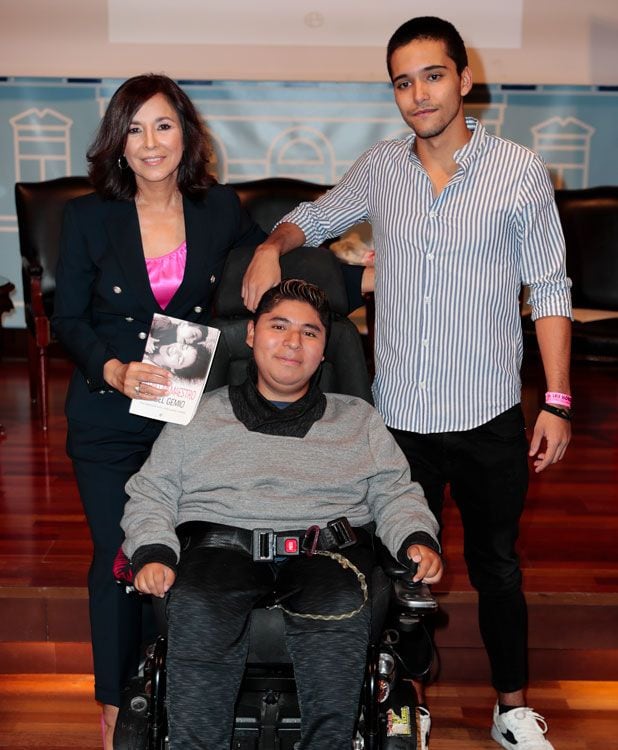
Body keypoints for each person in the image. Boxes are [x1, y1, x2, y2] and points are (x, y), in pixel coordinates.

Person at [240, 16, 572, 750]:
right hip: (400, 422)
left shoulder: (519, 172)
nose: (417, 94)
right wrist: (273, 244)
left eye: (431, 75)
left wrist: (556, 399)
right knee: (398, 571)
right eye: (402, 81)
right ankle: (406, 699)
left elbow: (550, 288)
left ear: (464, 78)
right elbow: (318, 217)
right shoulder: (383, 167)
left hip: (488, 417)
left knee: (498, 569)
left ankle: (510, 707)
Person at [120, 279, 443, 749]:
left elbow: (395, 493)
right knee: (199, 602)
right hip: (219, 551)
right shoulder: (198, 417)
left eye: (310, 333)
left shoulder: (358, 419)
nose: (294, 342)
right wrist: (152, 550)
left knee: (339, 602)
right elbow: (152, 493)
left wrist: (415, 535)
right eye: (279, 326)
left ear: (324, 349)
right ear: (251, 335)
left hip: (327, 555)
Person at [52, 73, 266, 747]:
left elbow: (273, 263)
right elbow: (67, 319)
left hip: (188, 421)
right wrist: (113, 370)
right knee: (119, 554)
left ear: (187, 133)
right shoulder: (89, 217)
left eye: (163, 125)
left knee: (182, 556)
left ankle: (166, 686)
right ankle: (117, 703)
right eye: (135, 128)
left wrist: (361, 270)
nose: (151, 142)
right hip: (109, 415)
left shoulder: (219, 208)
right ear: (118, 142)